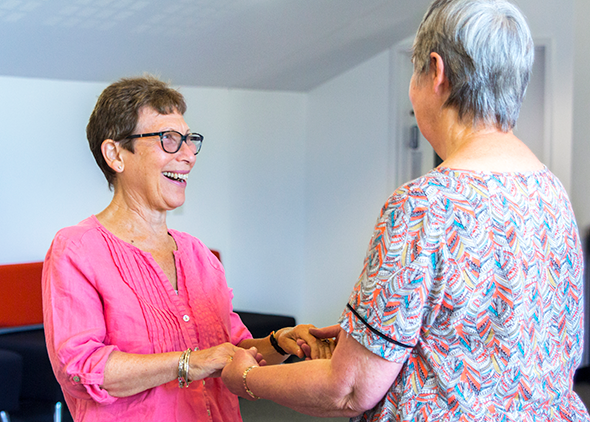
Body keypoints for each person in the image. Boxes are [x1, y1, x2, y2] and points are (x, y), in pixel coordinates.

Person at [221, 0, 590, 420]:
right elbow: (485, 336)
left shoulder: (422, 206)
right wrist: (364, 338)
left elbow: (350, 389)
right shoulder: (552, 193)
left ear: (436, 72)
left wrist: (247, 379)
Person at [42, 75, 331, 422]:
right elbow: (80, 369)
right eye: (169, 140)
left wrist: (281, 342)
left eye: (190, 140)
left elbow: (232, 352)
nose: (190, 155)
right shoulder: (77, 249)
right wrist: (190, 362)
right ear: (115, 154)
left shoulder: (198, 255)